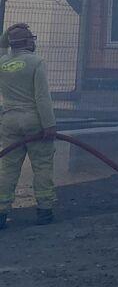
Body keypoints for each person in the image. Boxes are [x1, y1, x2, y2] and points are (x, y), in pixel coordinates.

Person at [0, 24, 57, 228]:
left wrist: (7, 33)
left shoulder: (2, 62)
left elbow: (2, 47)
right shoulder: (36, 62)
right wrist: (49, 125)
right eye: (31, 39)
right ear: (27, 42)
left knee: (8, 168)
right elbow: (42, 97)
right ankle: (44, 210)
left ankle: (1, 213)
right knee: (42, 165)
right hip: (34, 120)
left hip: (9, 120)